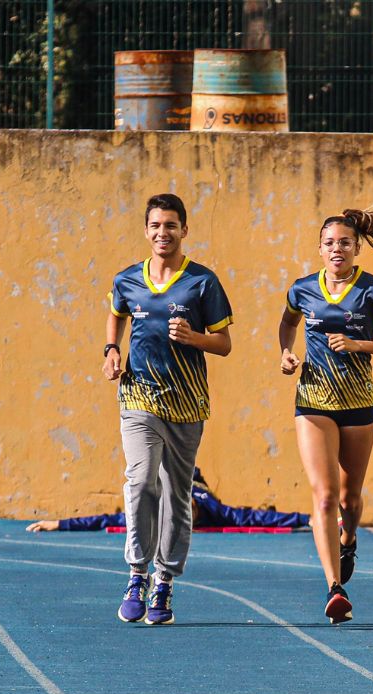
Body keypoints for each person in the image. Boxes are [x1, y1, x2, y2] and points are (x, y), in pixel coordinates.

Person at [279, 208, 373, 624]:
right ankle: (335, 588)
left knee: (348, 497)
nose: (337, 249)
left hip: (357, 403)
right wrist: (286, 353)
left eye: (345, 243)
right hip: (314, 401)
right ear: (319, 249)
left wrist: (359, 346)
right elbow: (287, 325)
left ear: (357, 249)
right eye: (330, 243)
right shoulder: (302, 289)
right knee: (323, 495)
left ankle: (349, 537)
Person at [104, 193, 233, 626]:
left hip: (187, 404)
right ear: (146, 230)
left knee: (176, 494)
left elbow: (224, 344)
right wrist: (111, 350)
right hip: (139, 397)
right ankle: (136, 573)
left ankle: (164, 581)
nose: (163, 233)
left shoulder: (203, 282)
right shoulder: (127, 279)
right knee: (140, 482)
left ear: (184, 231)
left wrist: (194, 337)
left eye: (171, 225)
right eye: (156, 225)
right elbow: (117, 314)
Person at [25, 469, 309, 531]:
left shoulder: (212, 508)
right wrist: (57, 523)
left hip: (191, 477)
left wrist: (307, 519)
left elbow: (253, 518)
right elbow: (106, 520)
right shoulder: (158, 508)